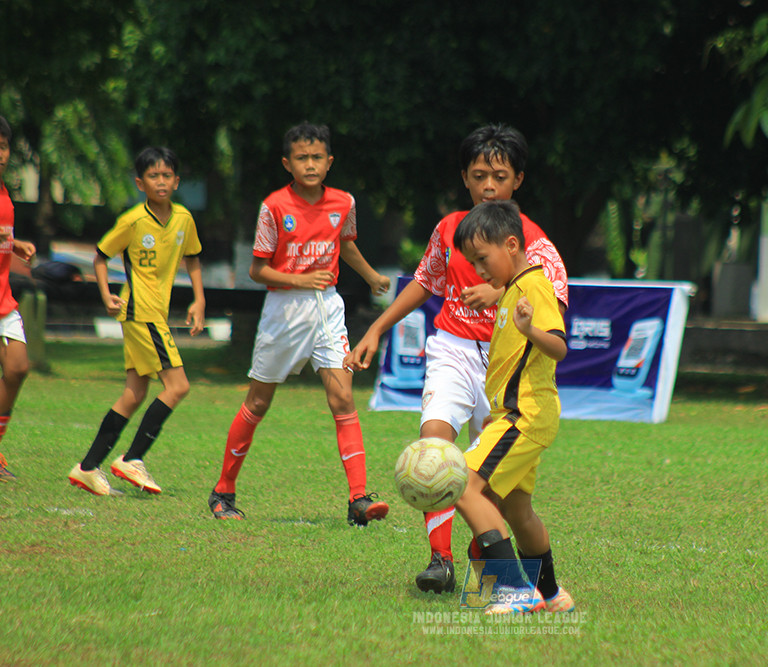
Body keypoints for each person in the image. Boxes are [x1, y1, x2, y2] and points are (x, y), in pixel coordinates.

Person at [344, 124, 567, 592]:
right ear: (464, 178)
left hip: (509, 371)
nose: (489, 186)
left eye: (500, 176)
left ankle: (503, 574)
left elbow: (550, 307)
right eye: (479, 175)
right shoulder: (451, 230)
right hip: (453, 347)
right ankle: (439, 559)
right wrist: (377, 329)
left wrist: (501, 289)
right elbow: (426, 281)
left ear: (518, 181)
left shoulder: (536, 246)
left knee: (499, 492)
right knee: (436, 447)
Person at [208, 122, 391, 526]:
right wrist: (299, 279)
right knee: (258, 402)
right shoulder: (274, 206)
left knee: (343, 398)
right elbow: (258, 270)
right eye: (301, 158)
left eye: (317, 157)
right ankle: (223, 491)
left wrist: (372, 276)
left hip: (327, 307)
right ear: (287, 163)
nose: (310, 164)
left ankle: (358, 499)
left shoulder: (344, 202)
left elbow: (344, 244)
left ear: (329, 162)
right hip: (284, 312)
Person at [452, 199, 574, 614]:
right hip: (517, 414)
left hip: (526, 413)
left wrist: (530, 328)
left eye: (483, 259)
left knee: (463, 486)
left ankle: (514, 589)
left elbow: (558, 347)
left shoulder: (534, 287)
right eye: (472, 263)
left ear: (511, 244)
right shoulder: (511, 291)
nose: (479, 271)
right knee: (518, 511)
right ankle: (553, 595)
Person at [68, 146, 205, 496]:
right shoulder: (132, 221)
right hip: (139, 311)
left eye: (167, 175)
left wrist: (199, 299)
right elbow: (100, 256)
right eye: (153, 176)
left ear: (177, 180)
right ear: (140, 182)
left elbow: (193, 258)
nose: (161, 181)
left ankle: (86, 468)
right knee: (178, 387)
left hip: (155, 313)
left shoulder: (184, 219)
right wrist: (105, 293)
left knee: (134, 393)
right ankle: (132, 458)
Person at [0, 116, 37, 481]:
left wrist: (15, 243)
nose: (0, 154)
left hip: (3, 297)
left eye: (3, 146)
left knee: (17, 367)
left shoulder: (3, 191)